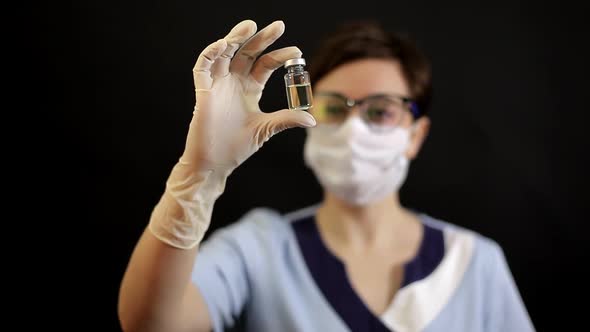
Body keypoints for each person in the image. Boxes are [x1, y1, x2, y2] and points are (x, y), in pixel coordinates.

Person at [118, 19, 535, 332]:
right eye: (334, 107)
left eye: (381, 110)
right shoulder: (258, 249)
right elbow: (149, 324)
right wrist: (198, 176)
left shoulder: (476, 263)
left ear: (415, 135)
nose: (354, 128)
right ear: (307, 112)